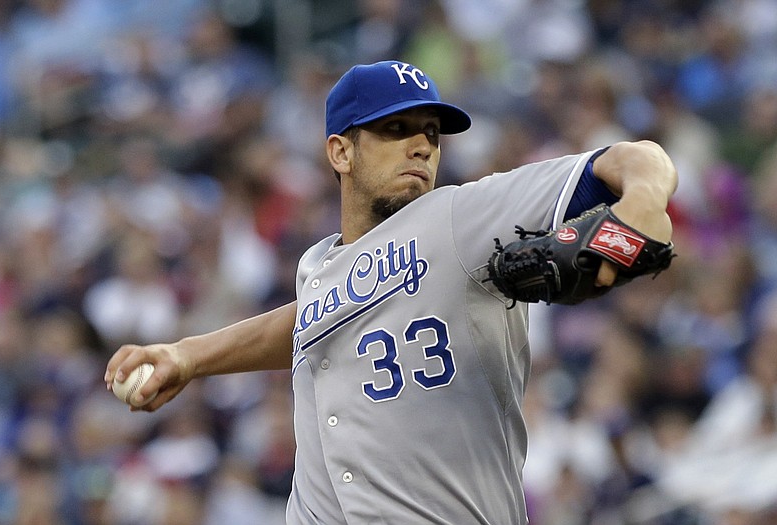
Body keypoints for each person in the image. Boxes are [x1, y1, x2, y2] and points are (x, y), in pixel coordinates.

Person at [105, 60, 677, 524]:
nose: (423, 147)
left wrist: (642, 207)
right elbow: (307, 325)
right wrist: (186, 356)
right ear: (340, 152)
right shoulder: (318, 268)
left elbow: (637, 160)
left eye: (431, 133)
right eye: (395, 130)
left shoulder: (458, 219)